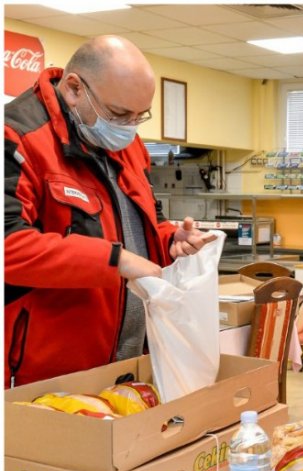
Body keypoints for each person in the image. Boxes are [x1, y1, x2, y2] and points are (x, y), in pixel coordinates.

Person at [4, 35, 215, 388]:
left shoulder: (127, 143)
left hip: (133, 361)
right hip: (49, 374)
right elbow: (9, 246)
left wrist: (170, 241)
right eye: (118, 114)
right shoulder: (16, 136)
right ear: (74, 88)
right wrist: (115, 260)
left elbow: (140, 226)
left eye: (139, 116)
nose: (128, 127)